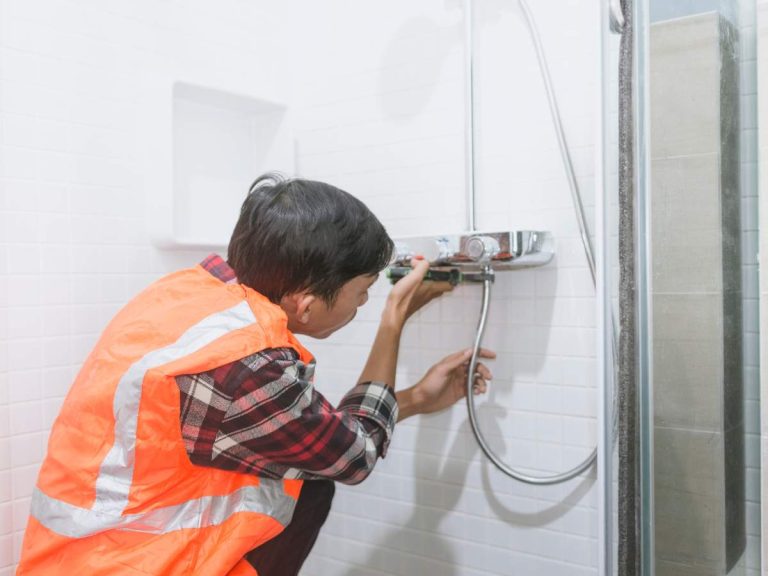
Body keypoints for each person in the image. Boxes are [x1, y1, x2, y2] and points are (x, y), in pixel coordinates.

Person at [16, 173, 495, 576]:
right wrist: (396, 318)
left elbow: (301, 431)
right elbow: (354, 456)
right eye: (364, 291)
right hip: (131, 565)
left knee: (307, 480)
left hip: (73, 557)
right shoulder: (245, 369)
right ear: (306, 302)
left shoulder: (189, 296)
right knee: (315, 485)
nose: (364, 303)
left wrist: (411, 398)